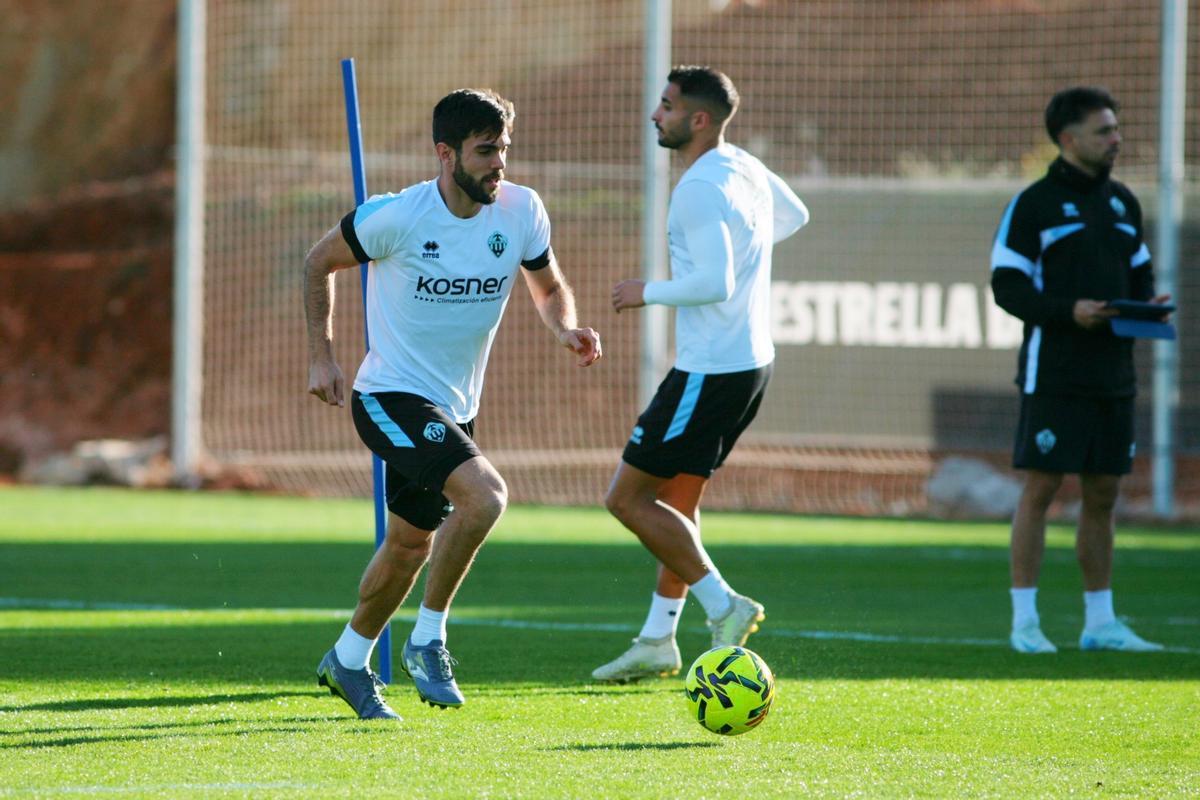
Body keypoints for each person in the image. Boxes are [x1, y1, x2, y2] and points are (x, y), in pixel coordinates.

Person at [304, 88, 602, 718]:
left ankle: (348, 661)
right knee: (486, 496)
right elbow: (317, 262)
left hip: (455, 407)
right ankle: (428, 640)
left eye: (505, 148)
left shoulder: (521, 211)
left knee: (409, 546)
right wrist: (322, 357)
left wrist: (565, 328)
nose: (500, 164)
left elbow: (548, 287)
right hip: (388, 397)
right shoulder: (396, 217)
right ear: (446, 154)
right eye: (486, 150)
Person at [594, 66, 810, 683]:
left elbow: (714, 282)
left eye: (666, 106)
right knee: (679, 505)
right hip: (749, 363)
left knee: (626, 499)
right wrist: (746, 249)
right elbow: (795, 215)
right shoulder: (742, 166)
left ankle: (723, 604)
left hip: (710, 369)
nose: (654, 115)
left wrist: (647, 292)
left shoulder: (697, 189)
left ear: (699, 119)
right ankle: (658, 639)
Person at [990, 86, 1169, 654]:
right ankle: (1025, 623)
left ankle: (1101, 623)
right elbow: (1007, 286)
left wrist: (1147, 306)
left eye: (1115, 128)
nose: (1116, 139)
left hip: (1113, 374)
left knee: (1104, 491)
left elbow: (1139, 274)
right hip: (1055, 371)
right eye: (1103, 131)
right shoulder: (1034, 205)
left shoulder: (1122, 203)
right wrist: (1069, 312)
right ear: (1068, 139)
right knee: (1042, 485)